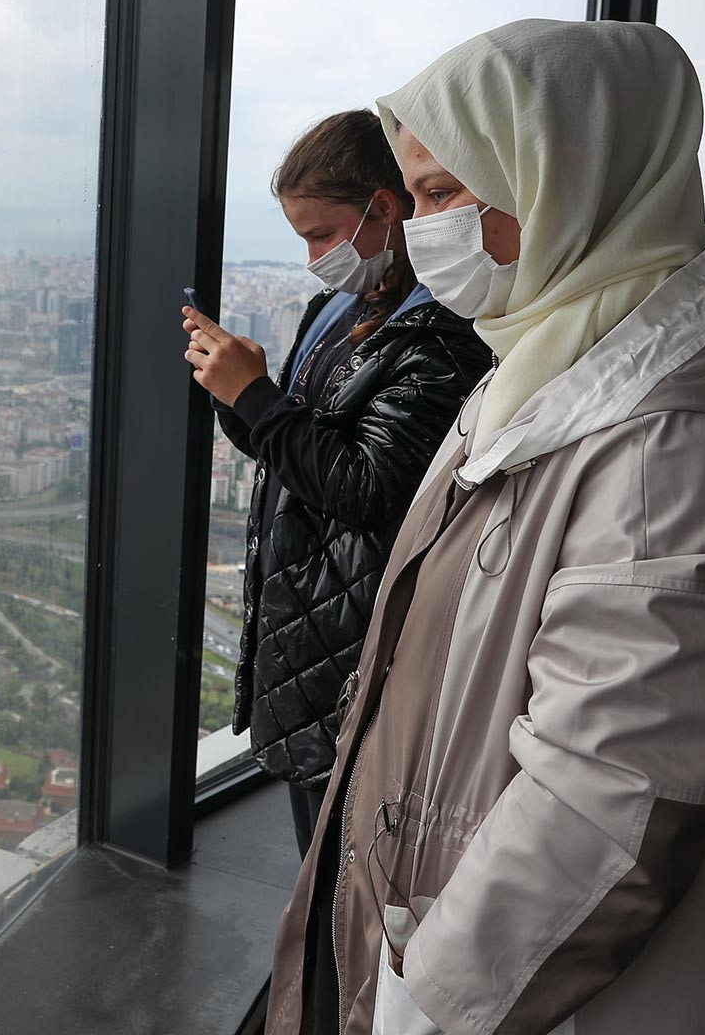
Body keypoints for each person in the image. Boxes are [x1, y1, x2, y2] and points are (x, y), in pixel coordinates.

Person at [263, 20, 705, 1035]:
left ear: (557, 175)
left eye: (441, 193)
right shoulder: (559, 355)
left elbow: (611, 801)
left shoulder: (671, 442)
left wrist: (422, 1003)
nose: (425, 225)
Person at [182, 110, 490, 858]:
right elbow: (297, 451)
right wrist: (235, 395)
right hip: (313, 621)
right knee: (315, 856)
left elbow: (366, 487)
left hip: (360, 637)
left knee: (344, 871)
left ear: (384, 209)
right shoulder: (338, 310)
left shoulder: (442, 334)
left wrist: (255, 397)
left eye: (323, 234)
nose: (316, 258)